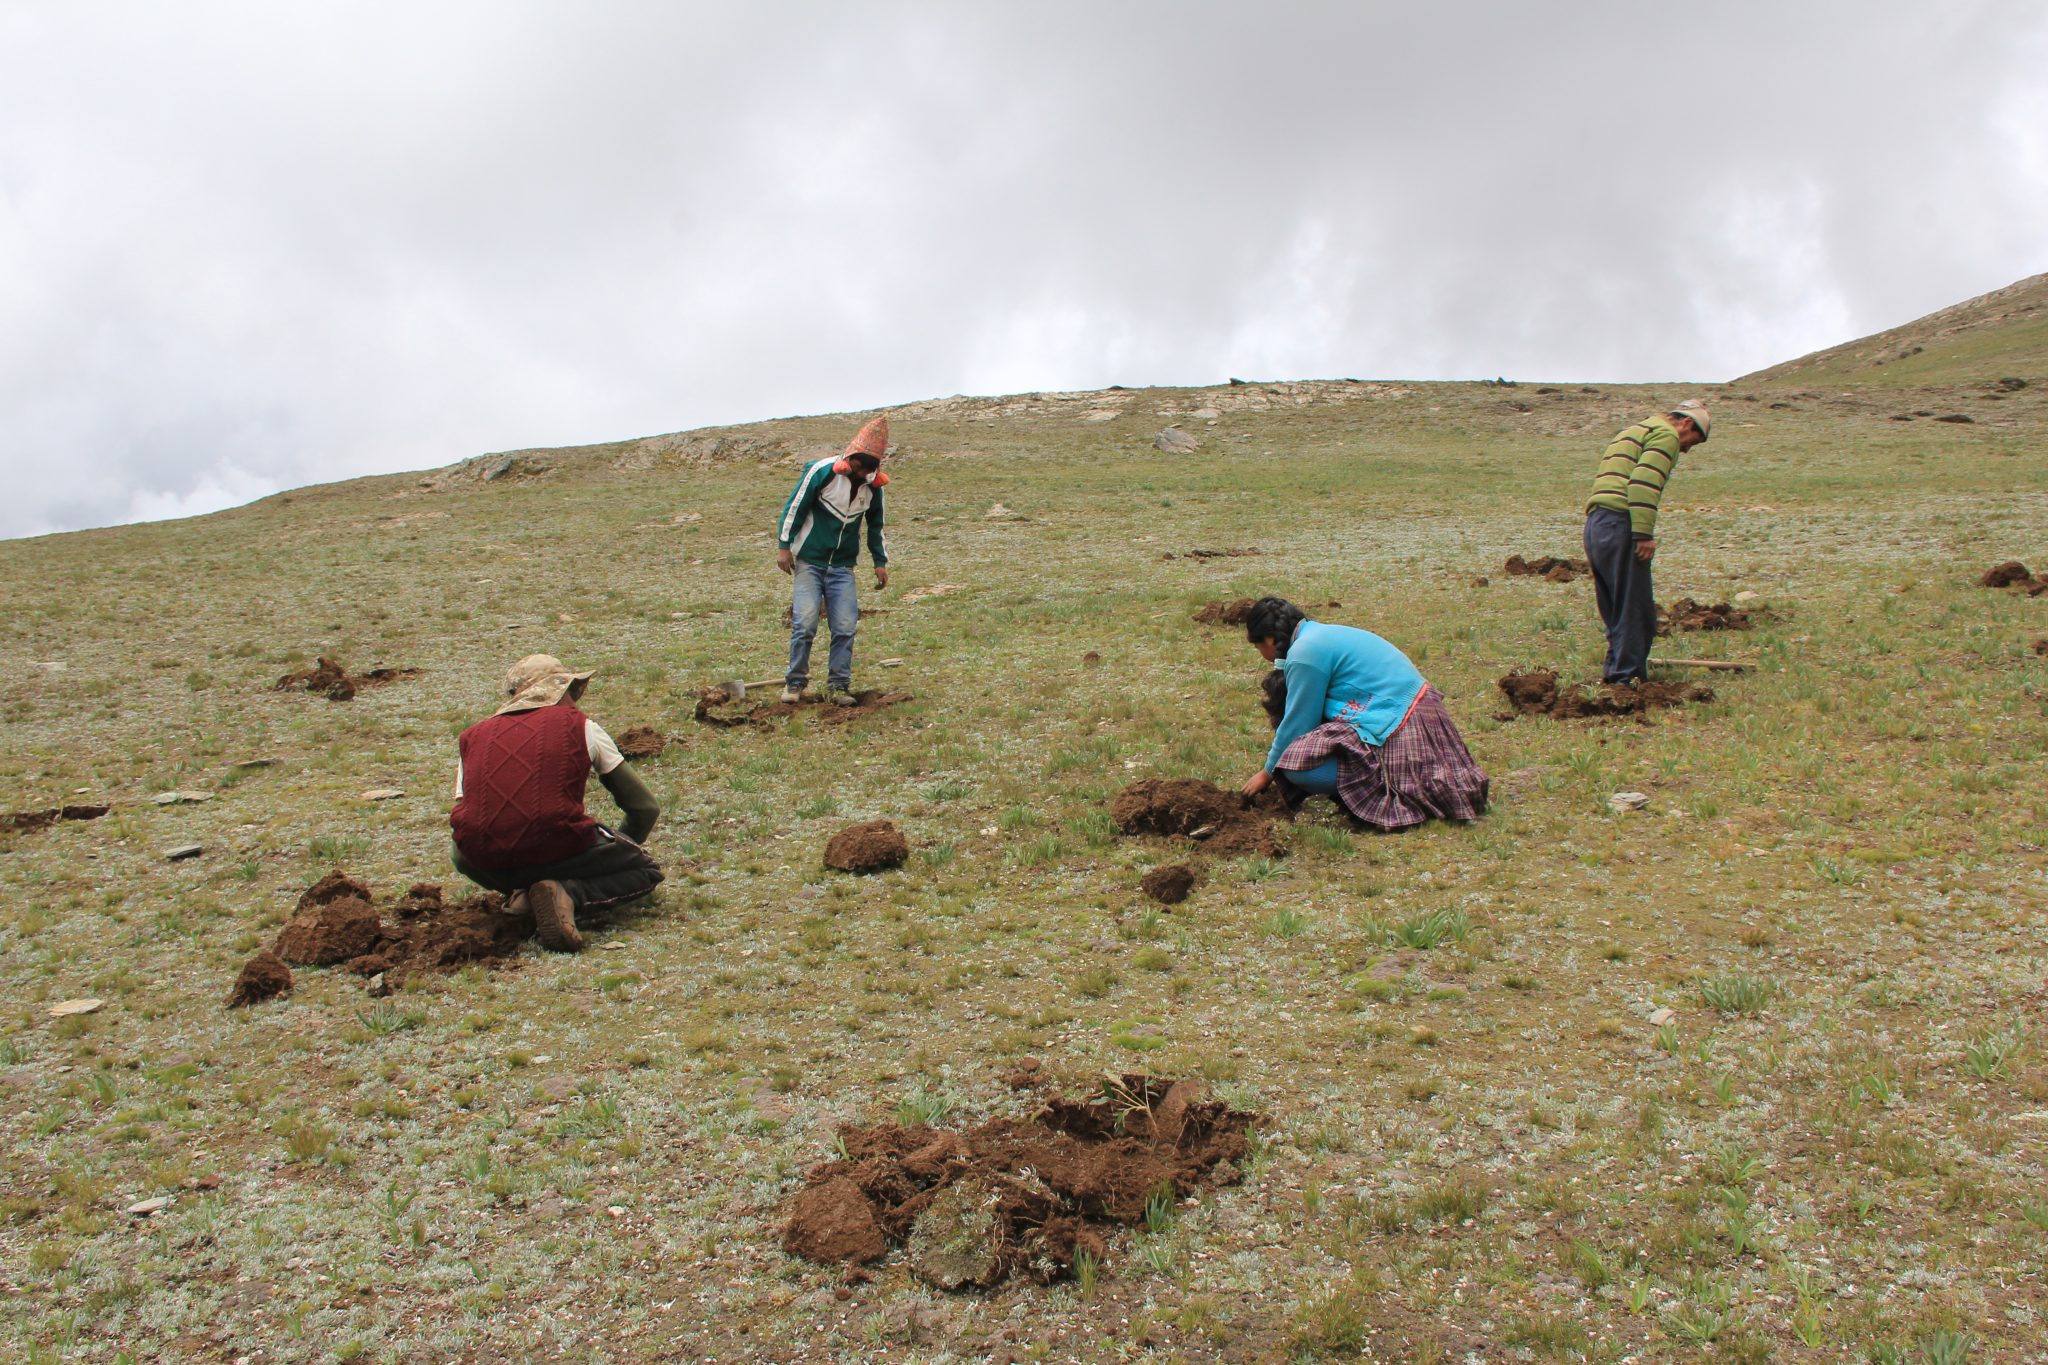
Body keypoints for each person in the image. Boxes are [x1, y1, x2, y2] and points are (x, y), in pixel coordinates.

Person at [450, 654, 663, 952]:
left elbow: (463, 838)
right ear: (561, 691)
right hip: (558, 840)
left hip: (486, 859)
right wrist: (612, 858)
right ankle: (567, 893)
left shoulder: (472, 737)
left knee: (468, 848)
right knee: (645, 871)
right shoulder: (579, 725)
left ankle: (525, 892)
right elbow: (643, 808)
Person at [1238, 597, 1488, 830]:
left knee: (1297, 767)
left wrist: (1267, 772)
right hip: (1411, 710)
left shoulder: (1304, 654)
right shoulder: (1318, 635)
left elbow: (1298, 725)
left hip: (1399, 721)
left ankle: (1373, 786)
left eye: (1259, 647)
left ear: (1270, 640)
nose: (1263, 656)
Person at [1583, 399, 1710, 683]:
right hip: (1621, 523)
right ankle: (1625, 680)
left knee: (1614, 605)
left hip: (1596, 524)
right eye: (1693, 441)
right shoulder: (1665, 435)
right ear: (1686, 423)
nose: (1687, 449)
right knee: (1634, 608)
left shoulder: (1634, 430)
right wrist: (1643, 534)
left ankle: (1616, 669)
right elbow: (1643, 483)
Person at [775, 415, 892, 705]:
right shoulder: (821, 472)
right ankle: (795, 682)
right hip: (810, 562)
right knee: (804, 622)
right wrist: (784, 546)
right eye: (857, 466)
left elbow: (875, 526)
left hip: (842, 567)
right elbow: (795, 507)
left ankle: (838, 686)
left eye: (867, 469)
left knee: (844, 625)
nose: (860, 473)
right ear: (850, 457)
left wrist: (880, 561)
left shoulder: (872, 487)